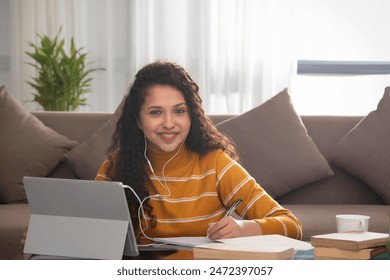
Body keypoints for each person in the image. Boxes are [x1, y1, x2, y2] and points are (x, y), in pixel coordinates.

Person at [95, 60, 302, 243]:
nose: (169, 123)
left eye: (179, 111)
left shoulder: (215, 164)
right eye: (155, 112)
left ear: (191, 115)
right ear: (138, 120)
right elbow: (92, 232)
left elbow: (292, 226)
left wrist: (243, 228)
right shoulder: (114, 166)